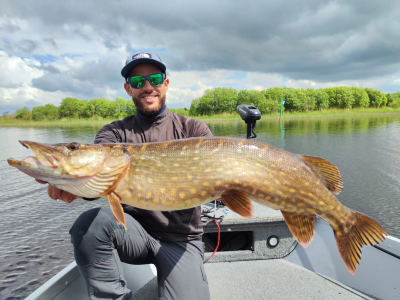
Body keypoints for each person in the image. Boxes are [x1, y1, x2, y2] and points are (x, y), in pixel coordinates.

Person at [38, 52, 212, 300]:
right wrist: (72, 185)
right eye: (138, 82)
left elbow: (221, 181)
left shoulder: (193, 130)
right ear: (128, 88)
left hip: (182, 239)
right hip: (133, 234)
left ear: (166, 83)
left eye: (154, 78)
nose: (147, 87)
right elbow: (99, 180)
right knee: (89, 224)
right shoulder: (113, 134)